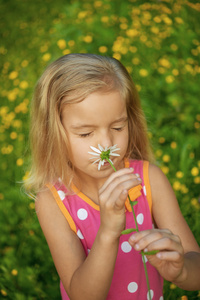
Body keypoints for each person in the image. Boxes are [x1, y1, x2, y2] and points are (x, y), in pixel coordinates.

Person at [24, 53, 200, 300]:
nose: (106, 144)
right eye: (86, 134)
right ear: (53, 134)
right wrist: (108, 232)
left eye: (118, 127)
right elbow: (83, 296)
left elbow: (196, 267)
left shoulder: (149, 181)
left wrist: (181, 271)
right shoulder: (53, 201)